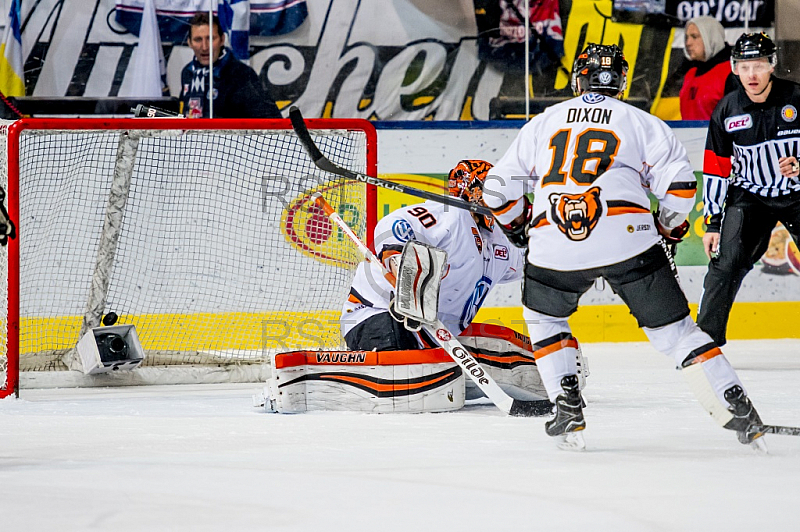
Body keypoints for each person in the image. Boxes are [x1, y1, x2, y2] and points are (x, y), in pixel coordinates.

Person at [484, 43, 765, 450]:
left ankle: (567, 405)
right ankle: (736, 407)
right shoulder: (642, 122)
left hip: (554, 240)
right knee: (677, 333)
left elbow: (496, 189)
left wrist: (518, 227)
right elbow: (682, 188)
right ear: (622, 80)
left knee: (545, 319)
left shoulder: (543, 122)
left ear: (578, 78)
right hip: (628, 239)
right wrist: (668, 228)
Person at [342, 160, 568, 401]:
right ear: (473, 192)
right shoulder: (451, 213)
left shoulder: (501, 241)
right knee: (409, 387)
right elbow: (396, 225)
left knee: (509, 362)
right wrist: (399, 265)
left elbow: (533, 260)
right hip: (376, 314)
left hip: (435, 334)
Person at [697, 32, 800, 346]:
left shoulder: (796, 98)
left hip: (796, 195)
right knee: (726, 263)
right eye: (744, 66)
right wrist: (713, 223)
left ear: (772, 65)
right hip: (751, 197)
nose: (751, 74)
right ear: (734, 68)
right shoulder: (727, 111)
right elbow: (716, 169)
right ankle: (704, 343)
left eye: (758, 65)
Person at [179, 13, 281, 119]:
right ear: (189, 43)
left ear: (222, 40)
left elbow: (271, 119)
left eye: (210, 39)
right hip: (192, 135)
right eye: (198, 40)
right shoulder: (187, 73)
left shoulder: (241, 74)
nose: (204, 47)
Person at [680, 16, 737, 120]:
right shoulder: (690, 73)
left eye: (694, 36)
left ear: (711, 37)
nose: (688, 43)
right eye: (686, 37)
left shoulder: (731, 72)